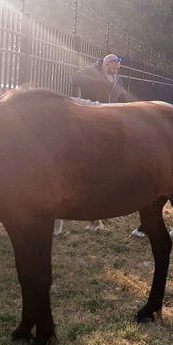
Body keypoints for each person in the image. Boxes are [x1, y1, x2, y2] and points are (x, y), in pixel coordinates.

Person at [69, 53, 128, 233]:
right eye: (113, 68)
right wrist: (97, 82)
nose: (115, 72)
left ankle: (97, 213)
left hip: (110, 122)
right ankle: (92, 216)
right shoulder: (90, 71)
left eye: (117, 69)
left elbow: (122, 97)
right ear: (106, 63)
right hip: (90, 123)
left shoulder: (118, 79)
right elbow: (75, 79)